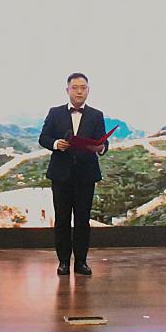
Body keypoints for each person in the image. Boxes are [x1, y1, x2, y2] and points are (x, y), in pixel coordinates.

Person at [38, 73, 108, 276]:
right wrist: (55, 144)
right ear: (67, 90)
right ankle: (63, 262)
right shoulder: (55, 112)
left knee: (82, 220)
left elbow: (103, 142)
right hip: (61, 174)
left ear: (88, 90)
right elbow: (43, 137)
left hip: (86, 174)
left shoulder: (96, 115)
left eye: (83, 88)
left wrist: (101, 148)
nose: (79, 91)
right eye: (75, 87)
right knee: (62, 219)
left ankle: (81, 262)